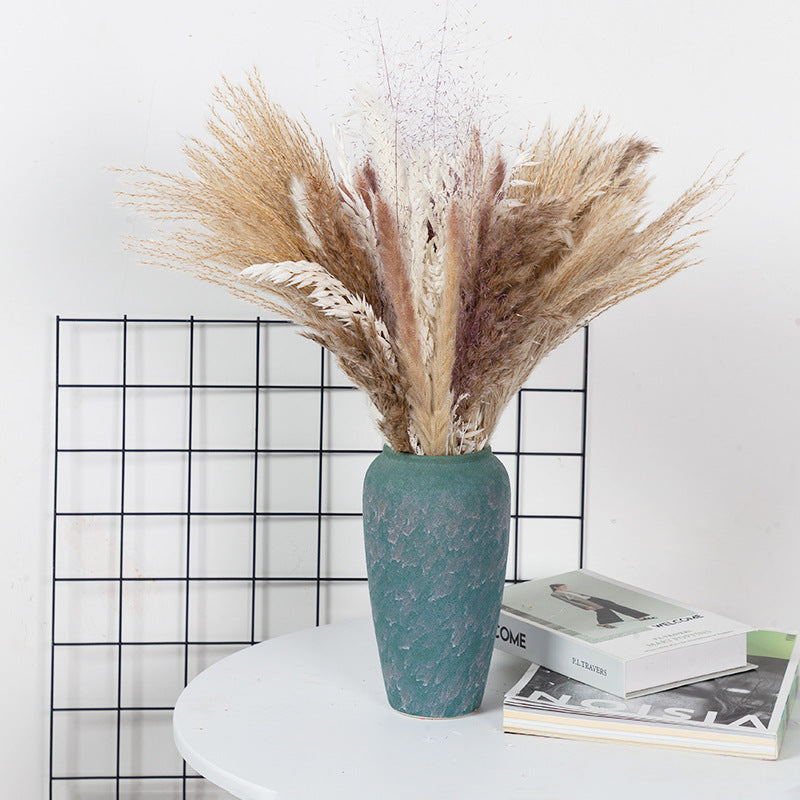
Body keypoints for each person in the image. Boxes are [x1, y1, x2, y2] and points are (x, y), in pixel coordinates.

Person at [549, 583, 655, 628]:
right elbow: (570, 601)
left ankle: (603, 623)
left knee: (611, 607)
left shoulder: (567, 591)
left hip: (591, 598)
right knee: (605, 609)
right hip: (587, 602)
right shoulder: (555, 594)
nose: (565, 587)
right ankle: (639, 617)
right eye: (563, 586)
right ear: (556, 587)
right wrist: (585, 607)